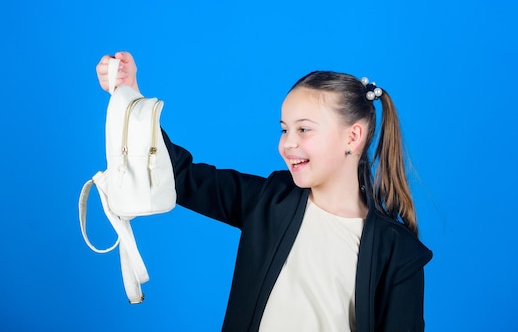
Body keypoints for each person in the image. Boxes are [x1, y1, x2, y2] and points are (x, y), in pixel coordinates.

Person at [96, 52, 433, 332]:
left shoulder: (398, 253)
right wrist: (132, 102)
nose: (287, 144)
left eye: (304, 129)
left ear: (352, 137)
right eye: (285, 129)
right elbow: (181, 177)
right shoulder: (270, 201)